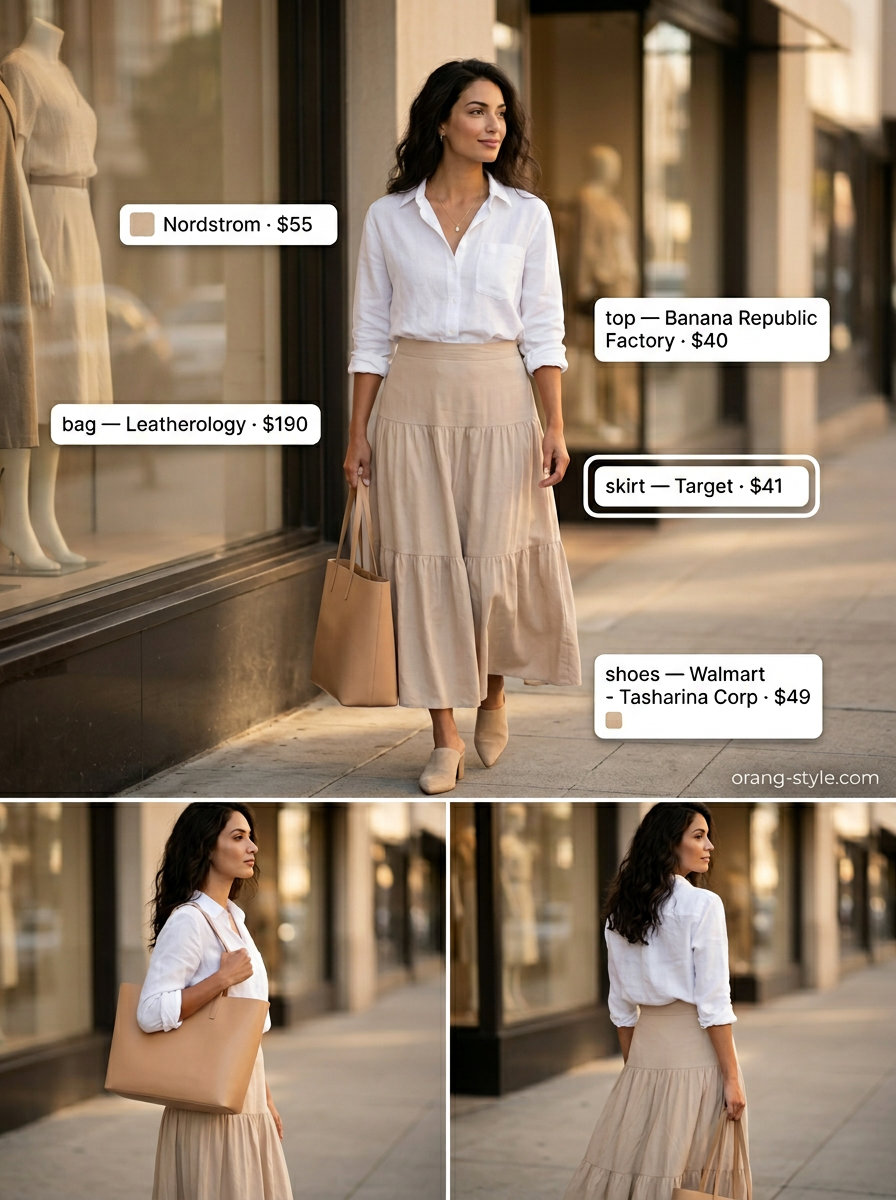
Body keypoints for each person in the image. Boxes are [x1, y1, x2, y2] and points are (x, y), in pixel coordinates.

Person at [344, 58, 581, 795]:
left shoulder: (527, 216)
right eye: (478, 111)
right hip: (411, 402)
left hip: (499, 398)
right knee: (422, 567)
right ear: (441, 120)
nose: (493, 126)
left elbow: (544, 327)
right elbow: (369, 334)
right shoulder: (389, 218)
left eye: (501, 115)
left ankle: (495, 687)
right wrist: (358, 433)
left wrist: (555, 424)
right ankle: (442, 731)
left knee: (494, 563)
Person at [562, 803, 751, 1200]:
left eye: (708, 835)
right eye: (698, 836)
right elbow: (714, 1001)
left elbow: (621, 1008)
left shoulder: (620, 911)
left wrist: (636, 1068)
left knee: (640, 1165)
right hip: (696, 1055)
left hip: (645, 1053)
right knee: (693, 1172)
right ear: (670, 844)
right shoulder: (703, 905)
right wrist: (732, 1078)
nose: (710, 846)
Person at [137, 803, 293, 1200]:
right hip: (209, 1102)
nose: (252, 847)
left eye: (251, 837)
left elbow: (248, 1030)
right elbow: (151, 1011)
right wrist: (220, 979)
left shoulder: (233, 920)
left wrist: (267, 1097)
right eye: (238, 838)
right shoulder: (189, 920)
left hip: (247, 1094)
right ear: (206, 847)